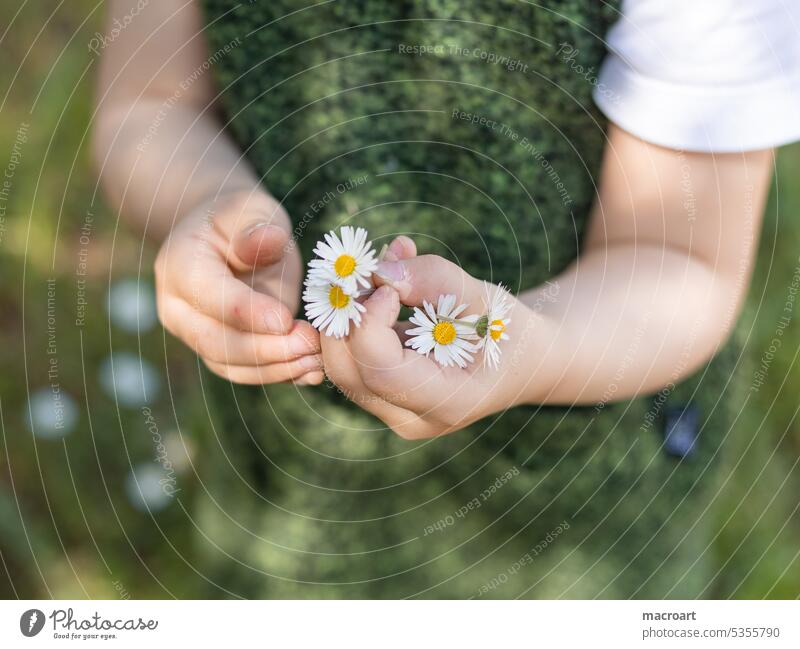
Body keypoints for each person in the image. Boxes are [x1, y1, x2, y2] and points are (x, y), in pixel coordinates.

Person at [93, 0, 800, 597]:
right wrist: (212, 204)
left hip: (580, 477)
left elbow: (680, 259)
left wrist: (532, 344)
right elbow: (148, 104)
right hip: (283, 457)